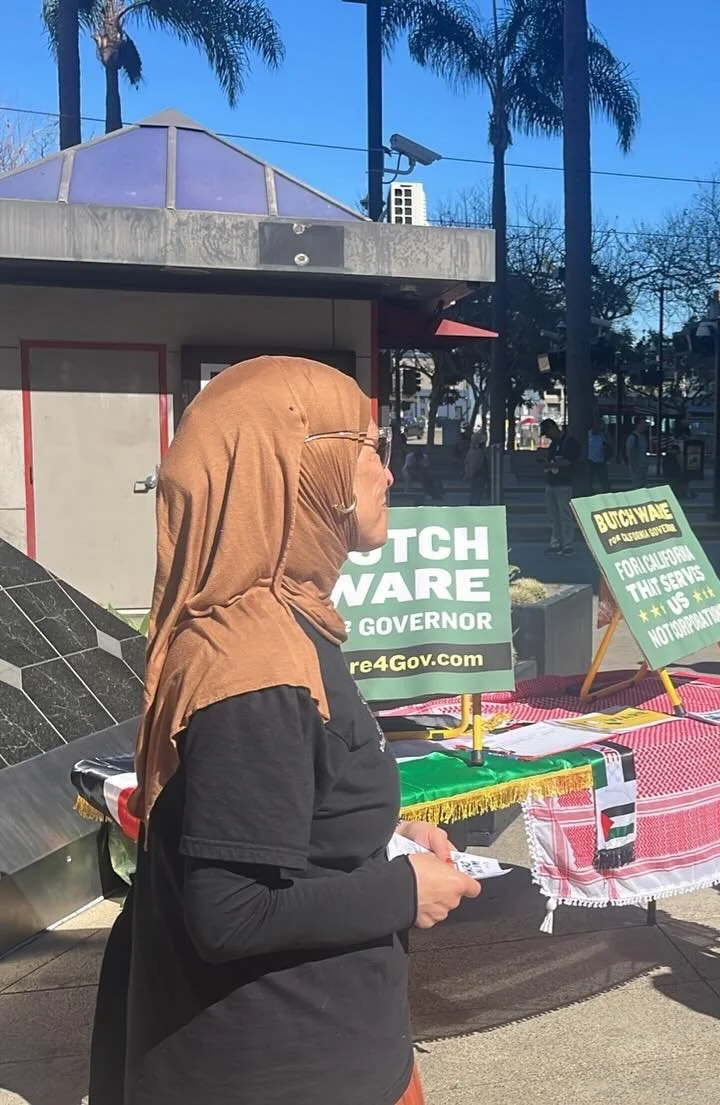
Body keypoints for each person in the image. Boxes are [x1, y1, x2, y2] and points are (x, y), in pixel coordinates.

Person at [88, 356, 481, 1105]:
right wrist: (400, 891)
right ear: (305, 469)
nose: (387, 474)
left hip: (325, 1050)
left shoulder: (280, 624)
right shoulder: (254, 660)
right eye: (368, 448)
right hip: (282, 1071)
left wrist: (383, 839)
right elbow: (229, 912)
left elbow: (277, 820)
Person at [540, 417, 580, 554]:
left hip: (564, 482)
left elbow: (569, 461)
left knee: (564, 514)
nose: (548, 437)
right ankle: (555, 542)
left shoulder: (569, 442)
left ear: (553, 428)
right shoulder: (554, 443)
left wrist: (553, 464)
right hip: (552, 481)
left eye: (548, 433)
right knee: (553, 515)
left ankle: (567, 544)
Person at [464, 431, 490, 505]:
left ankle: (473, 506)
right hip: (478, 474)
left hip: (477, 475)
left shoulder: (473, 450)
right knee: (477, 493)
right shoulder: (477, 451)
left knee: (475, 493)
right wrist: (471, 474)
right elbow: (473, 464)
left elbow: (467, 462)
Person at [587, 417, 612, 492]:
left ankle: (606, 491)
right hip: (591, 460)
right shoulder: (589, 434)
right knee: (589, 479)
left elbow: (609, 444)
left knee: (604, 479)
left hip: (601, 460)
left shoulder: (603, 435)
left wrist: (606, 433)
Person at [625, 418, 649, 487]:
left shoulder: (644, 436)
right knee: (637, 486)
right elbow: (629, 452)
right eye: (643, 423)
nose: (645, 425)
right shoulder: (633, 437)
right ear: (638, 425)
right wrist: (633, 466)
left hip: (644, 465)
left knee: (643, 486)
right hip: (636, 466)